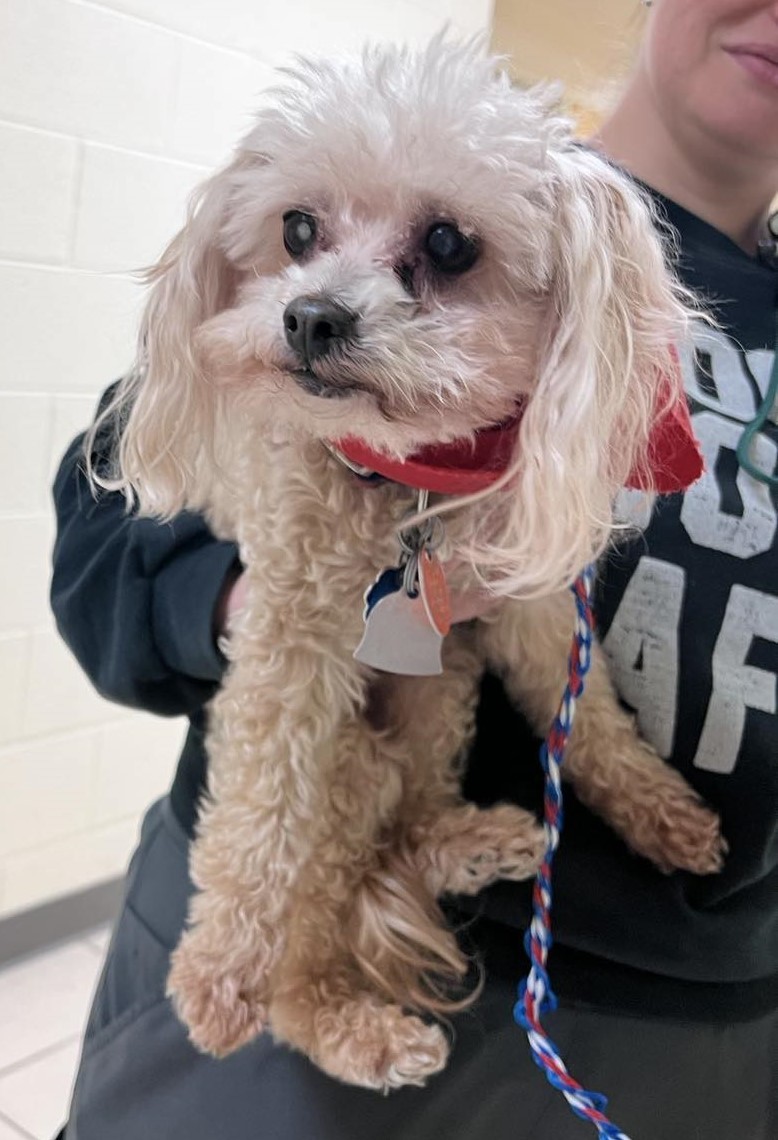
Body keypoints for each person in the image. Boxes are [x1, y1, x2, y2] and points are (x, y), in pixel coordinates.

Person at [51, 1, 777, 1136]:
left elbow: (541, 626)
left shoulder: (591, 282)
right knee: (362, 707)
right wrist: (286, 604)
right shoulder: (487, 187)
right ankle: (288, 959)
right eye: (300, 238)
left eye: (441, 252)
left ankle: (440, 836)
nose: (324, 303)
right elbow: (111, 531)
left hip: (709, 1027)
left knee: (480, 660)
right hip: (270, 1054)